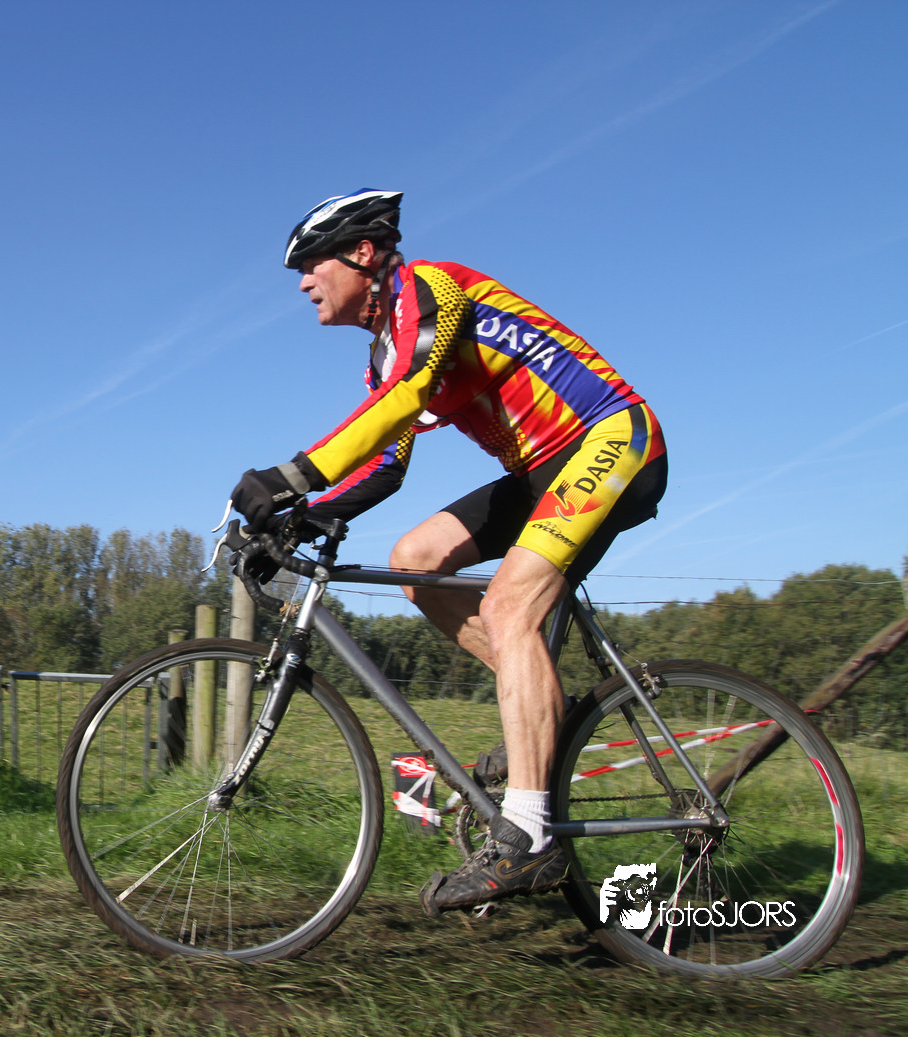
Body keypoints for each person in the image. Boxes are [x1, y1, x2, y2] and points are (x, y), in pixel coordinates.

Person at [229, 189, 667, 916]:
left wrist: (291, 476)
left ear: (361, 253)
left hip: (610, 438)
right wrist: (299, 517)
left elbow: (406, 397)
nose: (303, 283)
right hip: (537, 472)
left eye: (310, 264)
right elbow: (385, 462)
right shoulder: (383, 351)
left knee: (507, 608)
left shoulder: (429, 290)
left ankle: (530, 837)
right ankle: (546, 709)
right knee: (415, 559)